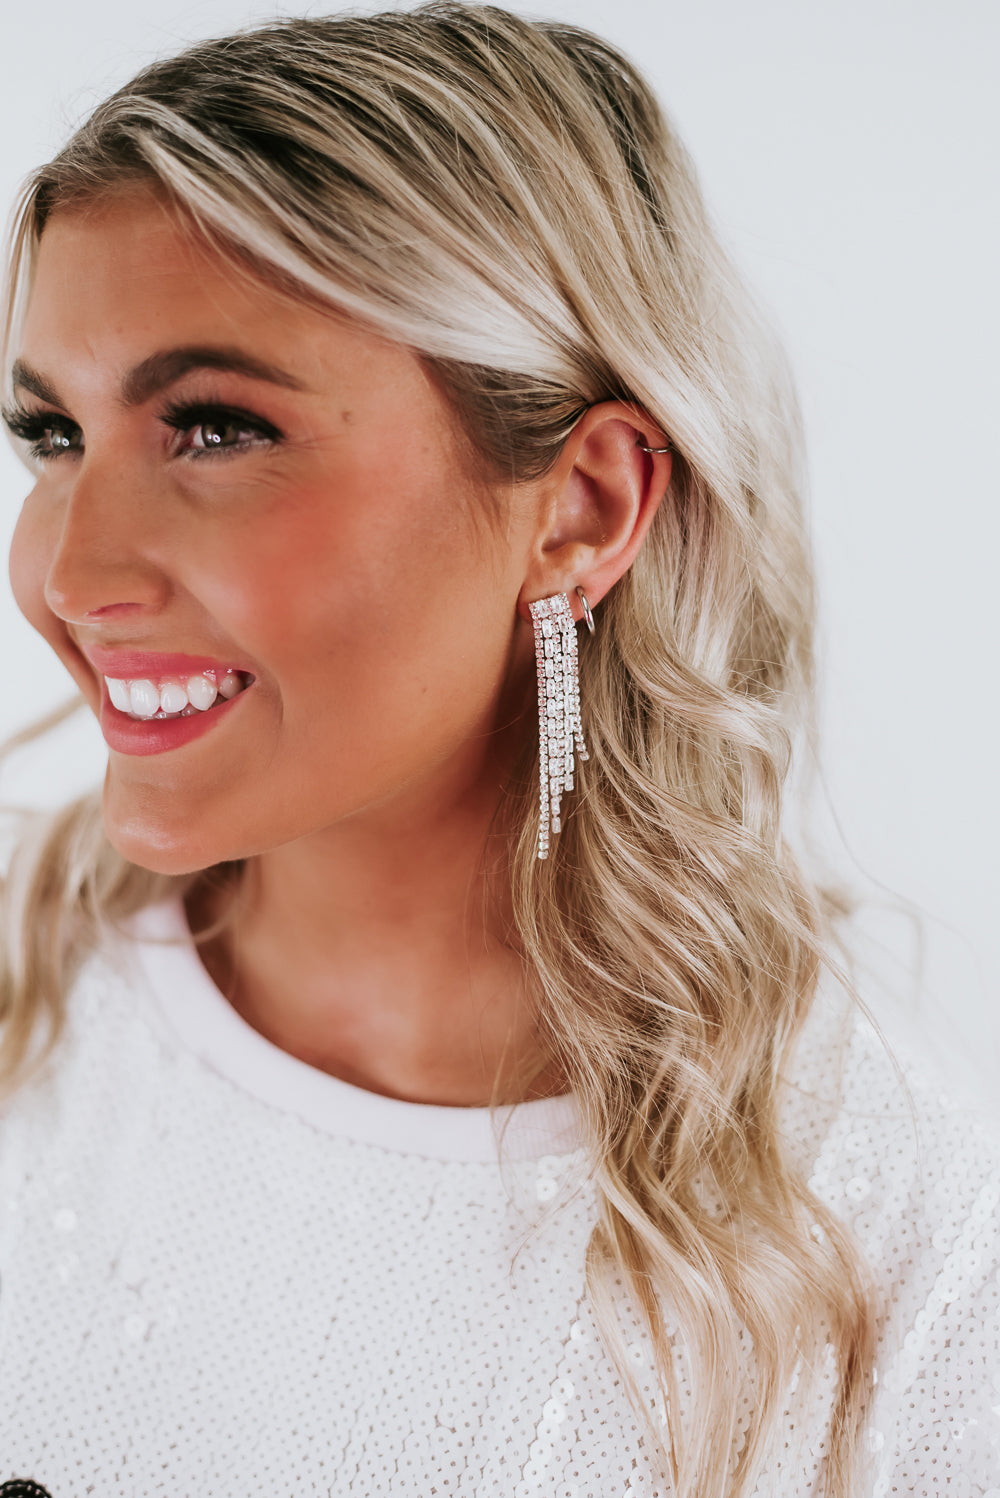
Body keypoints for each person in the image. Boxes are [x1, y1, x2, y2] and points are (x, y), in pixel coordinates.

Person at [0, 5, 996, 1495]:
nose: (71, 575)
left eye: (214, 429)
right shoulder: (27, 1018)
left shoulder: (907, 1258)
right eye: (51, 435)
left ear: (583, 507)